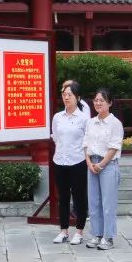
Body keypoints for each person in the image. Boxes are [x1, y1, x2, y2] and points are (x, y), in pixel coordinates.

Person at [51, 81, 90, 245]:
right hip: (60, 161)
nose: (66, 98)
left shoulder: (84, 118)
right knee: (63, 197)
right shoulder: (57, 117)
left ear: (78, 98)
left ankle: (79, 231)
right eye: (64, 94)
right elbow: (55, 137)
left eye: (70, 95)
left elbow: (87, 140)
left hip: (78, 162)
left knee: (79, 197)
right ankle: (64, 230)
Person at [84, 89, 124, 250]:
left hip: (108, 165)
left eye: (102, 100)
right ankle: (96, 234)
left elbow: (114, 147)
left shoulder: (115, 123)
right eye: (96, 100)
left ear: (110, 103)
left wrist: (101, 165)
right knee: (93, 201)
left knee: (108, 203)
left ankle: (108, 237)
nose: (98, 103)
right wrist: (89, 163)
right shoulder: (90, 122)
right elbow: (85, 145)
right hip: (92, 164)